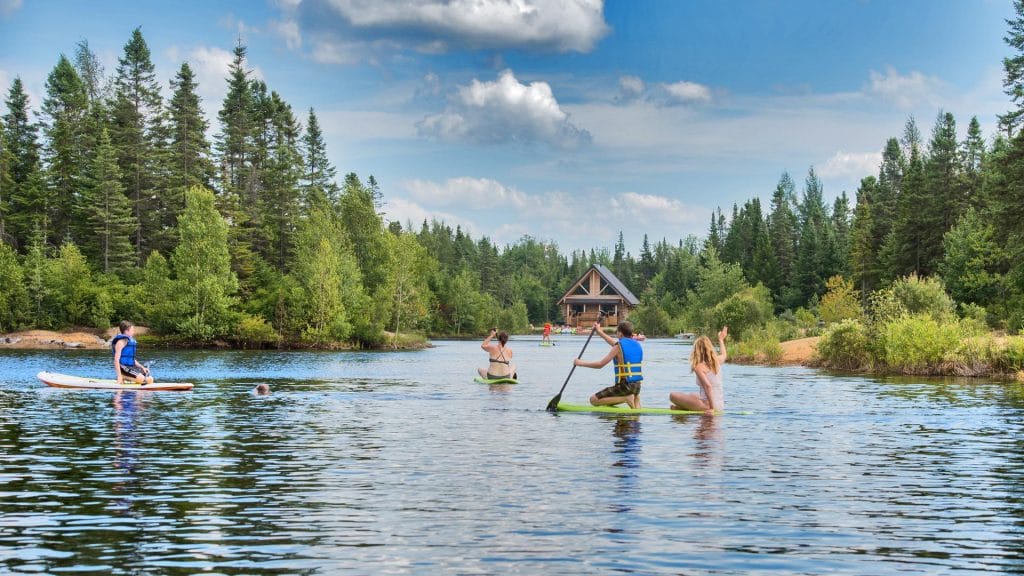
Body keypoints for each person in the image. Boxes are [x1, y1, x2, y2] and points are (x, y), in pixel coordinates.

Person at [574, 320, 644, 409]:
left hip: (625, 386)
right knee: (635, 414)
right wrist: (599, 332)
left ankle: (626, 398)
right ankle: (635, 406)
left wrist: (580, 363)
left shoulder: (618, 347)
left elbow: (600, 364)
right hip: (637, 386)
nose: (616, 335)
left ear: (621, 334)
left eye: (617, 332)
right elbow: (614, 343)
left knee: (593, 400)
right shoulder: (637, 344)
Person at [669, 326, 728, 414]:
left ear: (697, 351)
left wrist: (711, 408)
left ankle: (683, 408)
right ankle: (683, 407)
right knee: (692, 395)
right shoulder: (717, 361)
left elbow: (708, 386)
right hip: (720, 404)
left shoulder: (699, 367)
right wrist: (721, 339)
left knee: (672, 395)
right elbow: (724, 354)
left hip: (709, 405)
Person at [111, 321, 153, 385]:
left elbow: (132, 359)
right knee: (144, 380)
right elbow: (116, 360)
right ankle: (122, 376)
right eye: (132, 330)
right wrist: (119, 376)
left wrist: (142, 367)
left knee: (150, 379)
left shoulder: (130, 341)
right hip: (124, 367)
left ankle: (134, 380)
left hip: (131, 366)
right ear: (126, 331)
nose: (133, 332)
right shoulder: (120, 342)